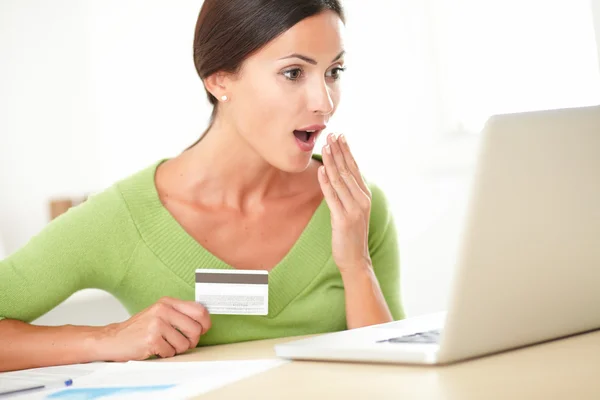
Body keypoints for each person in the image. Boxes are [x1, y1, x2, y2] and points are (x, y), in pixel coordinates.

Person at [0, 0, 404, 372]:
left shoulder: (357, 207)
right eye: (294, 73)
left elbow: (396, 377)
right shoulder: (128, 217)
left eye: (333, 72)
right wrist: (104, 339)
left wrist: (356, 263)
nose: (325, 102)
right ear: (219, 80)